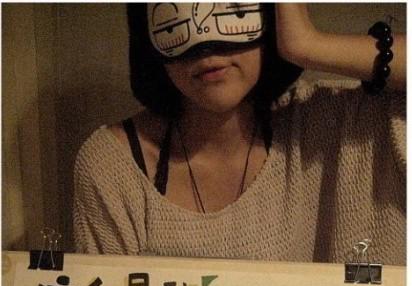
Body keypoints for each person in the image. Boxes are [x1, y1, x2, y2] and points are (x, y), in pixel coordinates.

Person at [73, 3, 406, 264]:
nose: (207, 49)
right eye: (176, 15)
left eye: (232, 8)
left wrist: (307, 44)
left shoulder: (338, 124)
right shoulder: (114, 166)